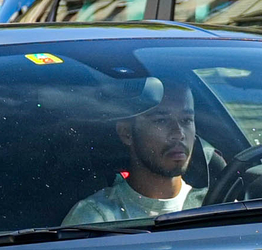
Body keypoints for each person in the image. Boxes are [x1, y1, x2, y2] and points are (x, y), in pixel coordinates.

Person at [65, 84, 207, 224]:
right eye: (161, 121)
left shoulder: (216, 207)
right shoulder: (96, 218)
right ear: (126, 133)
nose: (178, 134)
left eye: (186, 120)